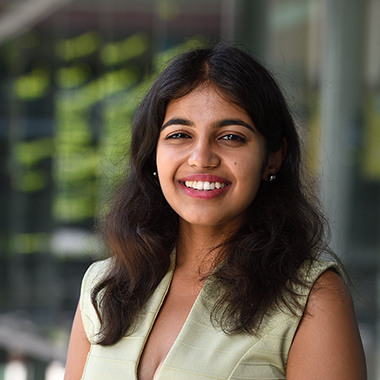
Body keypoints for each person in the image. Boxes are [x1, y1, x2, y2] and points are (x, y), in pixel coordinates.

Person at [64, 44, 367, 380]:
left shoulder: (311, 298)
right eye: (179, 135)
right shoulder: (103, 289)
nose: (201, 157)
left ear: (273, 157)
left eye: (231, 137)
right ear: (153, 153)